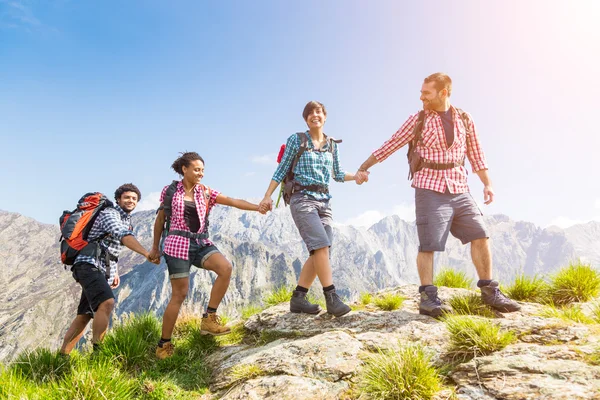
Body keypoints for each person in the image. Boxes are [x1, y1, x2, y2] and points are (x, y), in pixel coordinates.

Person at [355, 72, 521, 317]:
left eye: (426, 93)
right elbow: (391, 144)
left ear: (443, 93)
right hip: (428, 186)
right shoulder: (418, 119)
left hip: (459, 186)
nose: (421, 97)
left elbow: (476, 153)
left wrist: (487, 184)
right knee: (428, 243)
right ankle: (428, 297)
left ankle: (489, 292)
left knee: (480, 234)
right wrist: (364, 166)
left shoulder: (464, 119)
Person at [150, 152, 264, 359]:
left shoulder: (205, 192)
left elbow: (232, 201)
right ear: (184, 169)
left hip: (201, 242)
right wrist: (155, 248)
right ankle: (163, 345)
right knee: (179, 294)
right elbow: (160, 220)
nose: (200, 173)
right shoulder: (170, 191)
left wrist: (257, 207)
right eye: (196, 169)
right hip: (176, 244)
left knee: (225, 268)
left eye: (202, 170)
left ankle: (209, 319)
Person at [259, 101, 363, 318]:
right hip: (301, 198)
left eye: (318, 112)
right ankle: (331, 298)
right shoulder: (296, 140)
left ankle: (298, 298)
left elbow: (337, 173)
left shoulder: (332, 145)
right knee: (321, 246)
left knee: (322, 251)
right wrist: (267, 195)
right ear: (306, 119)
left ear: (325, 117)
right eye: (310, 113)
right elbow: (281, 170)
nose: (314, 115)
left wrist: (357, 177)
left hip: (325, 201)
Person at [60, 183, 157, 354]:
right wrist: (145, 253)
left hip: (97, 267)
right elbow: (122, 235)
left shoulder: (126, 220)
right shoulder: (110, 214)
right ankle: (99, 353)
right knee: (107, 302)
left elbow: (110, 247)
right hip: (88, 264)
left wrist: (114, 271)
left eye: (134, 199)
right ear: (118, 199)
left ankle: (62, 357)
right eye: (127, 197)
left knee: (85, 314)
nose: (131, 201)